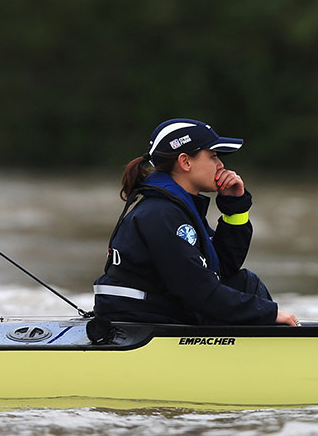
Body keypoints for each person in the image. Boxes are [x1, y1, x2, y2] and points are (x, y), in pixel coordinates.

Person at [93, 118, 299, 327]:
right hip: (139, 320)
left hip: (157, 310)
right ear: (185, 162)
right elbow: (199, 292)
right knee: (248, 289)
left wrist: (235, 207)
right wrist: (269, 314)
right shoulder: (162, 214)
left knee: (244, 282)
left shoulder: (176, 207)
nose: (221, 165)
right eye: (213, 156)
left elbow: (223, 269)